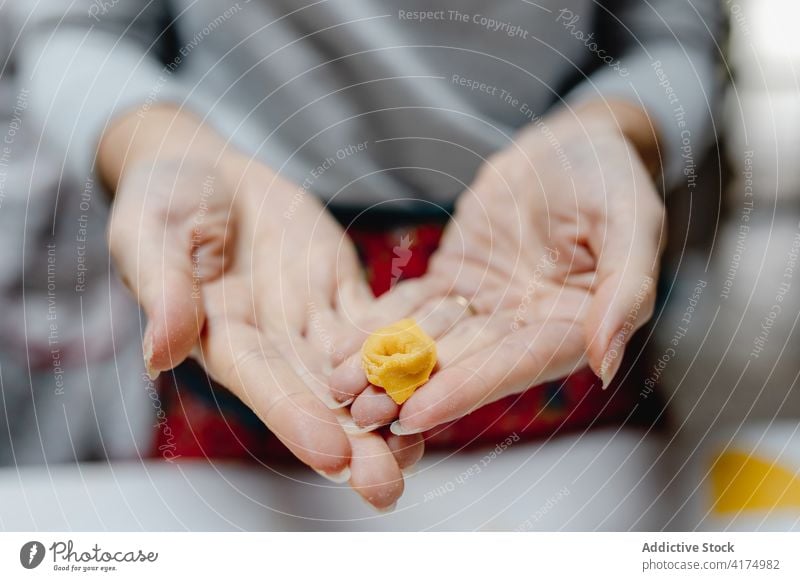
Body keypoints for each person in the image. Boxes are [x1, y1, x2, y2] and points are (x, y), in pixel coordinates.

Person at [16, 0, 722, 516]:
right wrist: (163, 148)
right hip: (256, 283)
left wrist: (614, 132)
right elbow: (78, 30)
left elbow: (677, 38)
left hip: (543, 288)